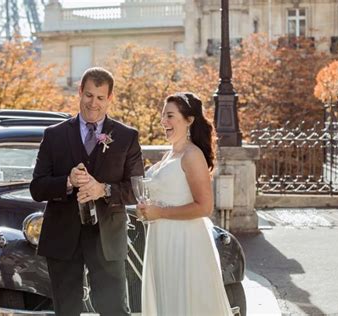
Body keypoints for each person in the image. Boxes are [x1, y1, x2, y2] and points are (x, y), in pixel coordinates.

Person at [30, 67, 144, 316]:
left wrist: (103, 189)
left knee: (113, 309)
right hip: (62, 238)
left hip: (108, 238)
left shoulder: (126, 137)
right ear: (80, 92)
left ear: (110, 98)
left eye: (101, 98)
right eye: (89, 95)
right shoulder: (54, 136)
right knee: (66, 310)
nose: (94, 103)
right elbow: (37, 188)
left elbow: (137, 191)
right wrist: (67, 181)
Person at [137, 92, 233, 316]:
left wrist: (158, 211)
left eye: (170, 116)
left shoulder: (192, 155)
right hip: (162, 240)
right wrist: (147, 208)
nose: (164, 122)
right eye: (163, 116)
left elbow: (204, 207)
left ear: (188, 120)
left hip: (184, 242)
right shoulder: (170, 154)